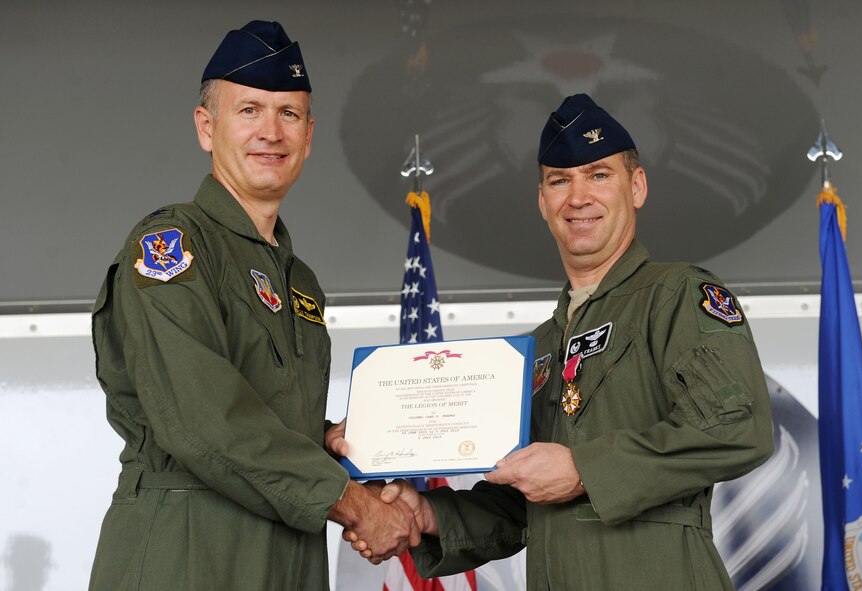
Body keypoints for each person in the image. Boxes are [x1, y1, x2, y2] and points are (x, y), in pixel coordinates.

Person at [336, 94, 774, 590]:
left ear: (637, 186)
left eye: (599, 175)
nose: (578, 196)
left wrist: (583, 470)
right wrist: (429, 515)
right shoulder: (536, 349)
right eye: (559, 180)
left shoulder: (678, 295)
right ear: (542, 201)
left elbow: (739, 429)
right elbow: (524, 503)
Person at [88, 20, 417, 591]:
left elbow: (257, 409)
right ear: (206, 127)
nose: (271, 131)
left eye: (288, 114)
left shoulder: (299, 281)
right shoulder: (173, 246)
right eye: (249, 111)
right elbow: (202, 420)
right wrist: (356, 506)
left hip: (287, 551)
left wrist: (325, 441)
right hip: (190, 553)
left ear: (309, 136)